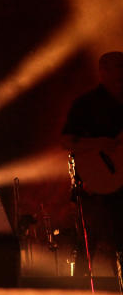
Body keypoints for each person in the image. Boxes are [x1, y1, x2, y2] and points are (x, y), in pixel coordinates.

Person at [61, 51, 123, 280]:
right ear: (103, 71)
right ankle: (78, 290)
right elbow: (66, 140)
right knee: (90, 237)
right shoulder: (86, 104)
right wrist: (100, 143)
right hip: (96, 183)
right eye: (118, 67)